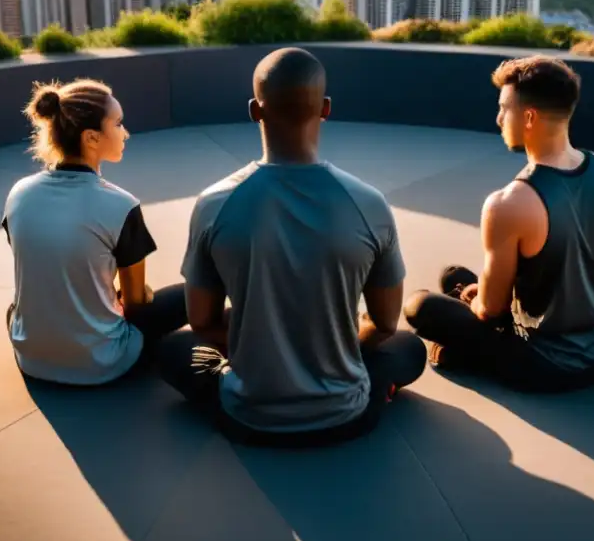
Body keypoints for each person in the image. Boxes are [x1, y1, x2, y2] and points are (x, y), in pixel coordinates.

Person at [157, 47, 426, 447]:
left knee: (174, 348)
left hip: (247, 416)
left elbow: (201, 322)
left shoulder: (214, 204)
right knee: (409, 348)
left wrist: (268, 345)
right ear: (326, 108)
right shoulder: (369, 203)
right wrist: (324, 346)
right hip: (348, 416)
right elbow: (384, 324)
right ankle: (369, 385)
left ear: (254, 110)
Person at [405, 55, 594, 393]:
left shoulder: (509, 203)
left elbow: (490, 310)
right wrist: (571, 294)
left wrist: (475, 299)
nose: (499, 117)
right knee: (454, 276)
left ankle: (464, 353)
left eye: (505, 108)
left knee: (420, 305)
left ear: (529, 117)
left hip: (545, 363)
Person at [1, 78, 187, 386]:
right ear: (91, 138)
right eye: (117, 124)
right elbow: (136, 305)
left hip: (31, 359)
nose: (125, 133)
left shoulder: (18, 193)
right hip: (102, 365)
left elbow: (43, 266)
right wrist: (140, 293)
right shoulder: (121, 206)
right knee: (187, 296)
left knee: (15, 307)